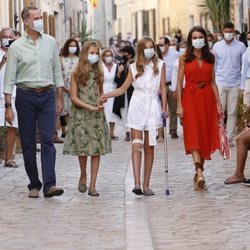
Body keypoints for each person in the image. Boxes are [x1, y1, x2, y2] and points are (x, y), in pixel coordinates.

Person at [4, 6, 64, 198]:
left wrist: (59, 96)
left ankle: (50, 184)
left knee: (47, 139)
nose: (40, 21)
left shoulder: (50, 42)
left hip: (47, 95)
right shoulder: (16, 47)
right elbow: (9, 78)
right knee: (29, 143)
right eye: (36, 18)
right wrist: (7, 106)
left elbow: (57, 71)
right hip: (25, 96)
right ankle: (34, 184)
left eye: (40, 17)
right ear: (26, 22)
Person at [100, 36, 167, 196]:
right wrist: (106, 95)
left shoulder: (160, 65)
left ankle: (146, 184)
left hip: (152, 106)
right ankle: (136, 183)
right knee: (137, 144)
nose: (150, 50)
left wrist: (164, 107)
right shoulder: (133, 67)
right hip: (137, 105)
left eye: (152, 47)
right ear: (141, 50)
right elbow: (123, 89)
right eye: (147, 47)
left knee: (149, 147)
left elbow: (163, 88)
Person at [176, 26, 224, 190]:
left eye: (200, 36)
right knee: (194, 135)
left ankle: (198, 173)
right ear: (190, 40)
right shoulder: (184, 58)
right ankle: (199, 171)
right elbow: (178, 82)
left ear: (205, 38)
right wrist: (179, 105)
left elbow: (212, 82)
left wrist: (219, 103)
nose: (197, 39)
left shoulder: (210, 57)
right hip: (190, 97)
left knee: (204, 136)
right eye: (194, 37)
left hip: (207, 99)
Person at [63, 41, 111, 197]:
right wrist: (88, 106)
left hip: (96, 114)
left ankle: (92, 185)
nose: (95, 56)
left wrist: (102, 100)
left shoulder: (99, 73)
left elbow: (101, 92)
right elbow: (73, 97)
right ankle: (83, 174)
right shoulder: (76, 73)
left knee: (96, 149)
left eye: (97, 53)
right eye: (92, 53)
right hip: (81, 115)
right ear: (85, 54)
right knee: (83, 149)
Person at [212, 22, 246, 146]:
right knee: (220, 112)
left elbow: (244, 66)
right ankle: (218, 137)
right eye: (226, 31)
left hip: (235, 83)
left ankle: (229, 138)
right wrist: (213, 83)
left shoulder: (241, 46)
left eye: (230, 31)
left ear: (233, 31)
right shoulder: (216, 46)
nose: (228, 34)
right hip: (220, 82)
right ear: (223, 31)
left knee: (232, 112)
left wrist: (242, 85)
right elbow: (214, 66)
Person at [0, 27, 18, 168]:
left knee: (12, 127)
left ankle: (8, 158)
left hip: (14, 94)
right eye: (4, 36)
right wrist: (2, 63)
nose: (6, 39)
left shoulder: (18, 53)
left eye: (9, 37)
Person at [158, 36, 180, 139]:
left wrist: (176, 87)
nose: (160, 47)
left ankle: (173, 130)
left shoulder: (175, 55)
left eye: (162, 45)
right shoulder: (156, 55)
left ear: (167, 45)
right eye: (159, 45)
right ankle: (160, 131)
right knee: (159, 108)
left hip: (171, 84)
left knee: (173, 109)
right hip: (159, 86)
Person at [113, 45, 135, 141]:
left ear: (130, 55)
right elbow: (116, 80)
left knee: (132, 111)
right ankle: (127, 132)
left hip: (132, 92)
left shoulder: (135, 64)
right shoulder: (120, 65)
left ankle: (133, 130)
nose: (123, 55)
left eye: (125, 53)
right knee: (123, 111)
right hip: (121, 93)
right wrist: (118, 72)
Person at [60, 38, 80, 138]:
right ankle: (65, 130)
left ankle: (74, 129)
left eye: (74, 46)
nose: (73, 48)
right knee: (65, 110)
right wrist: (64, 87)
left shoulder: (79, 59)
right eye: (71, 46)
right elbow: (59, 74)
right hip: (64, 87)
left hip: (77, 89)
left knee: (75, 109)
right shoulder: (62, 58)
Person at [101, 49, 119, 140]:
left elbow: (118, 78)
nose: (108, 57)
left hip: (114, 90)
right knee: (104, 112)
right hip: (103, 91)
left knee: (113, 113)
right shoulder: (101, 67)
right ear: (103, 57)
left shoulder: (116, 66)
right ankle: (104, 132)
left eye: (110, 55)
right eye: (106, 55)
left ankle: (112, 133)